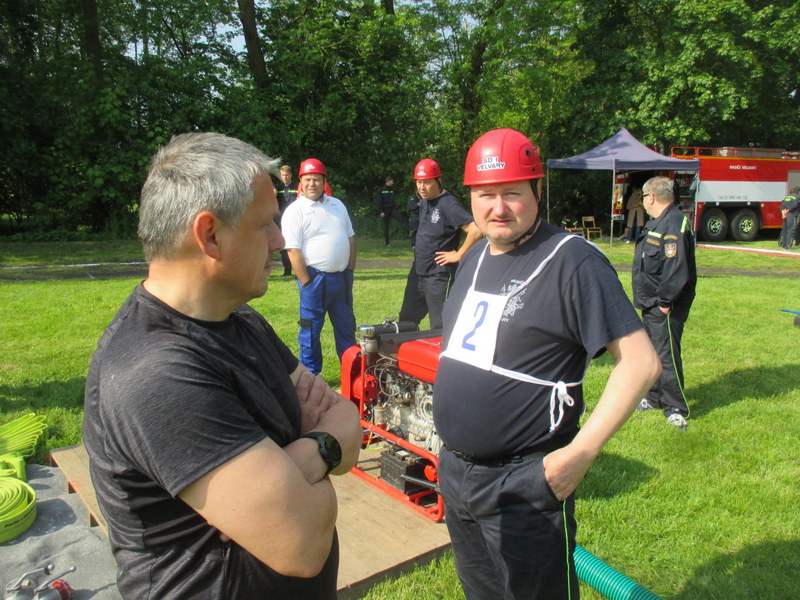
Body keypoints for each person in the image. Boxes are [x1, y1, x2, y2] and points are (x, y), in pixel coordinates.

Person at [82, 132, 362, 599]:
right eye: (266, 224)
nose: (279, 241)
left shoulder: (240, 319)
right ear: (210, 235)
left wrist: (301, 460)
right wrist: (321, 448)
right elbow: (302, 541)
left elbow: (346, 419)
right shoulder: (156, 374)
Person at [432, 128, 660, 600]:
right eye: (486, 194)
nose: (498, 208)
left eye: (512, 193)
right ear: (470, 197)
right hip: (455, 473)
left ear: (537, 191)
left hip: (524, 481)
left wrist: (581, 454)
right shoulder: (474, 257)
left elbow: (640, 364)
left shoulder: (572, 261)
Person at [282, 158, 358, 375]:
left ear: (324, 181)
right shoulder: (295, 211)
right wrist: (307, 283)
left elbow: (351, 239)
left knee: (346, 329)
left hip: (341, 280)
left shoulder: (337, 205)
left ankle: (352, 376)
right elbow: (293, 250)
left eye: (316, 179)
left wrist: (349, 271)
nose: (312, 184)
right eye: (307, 179)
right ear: (300, 182)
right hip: (315, 280)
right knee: (310, 332)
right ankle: (311, 378)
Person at [633, 176, 697, 430]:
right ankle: (654, 397)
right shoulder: (659, 221)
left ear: (651, 197)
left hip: (664, 304)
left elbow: (676, 266)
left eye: (643, 197)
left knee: (666, 355)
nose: (643, 201)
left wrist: (665, 301)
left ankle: (675, 407)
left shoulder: (673, 222)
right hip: (651, 301)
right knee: (653, 352)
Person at [397, 158, 482, 330]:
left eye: (427, 182)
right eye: (419, 182)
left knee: (440, 325)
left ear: (438, 181)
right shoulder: (425, 199)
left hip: (437, 275)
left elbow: (476, 229)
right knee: (406, 321)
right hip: (418, 271)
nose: (422, 187)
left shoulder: (448, 204)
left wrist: (459, 254)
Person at [275, 164, 298, 275]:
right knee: (284, 245)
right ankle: (287, 271)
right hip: (281, 220)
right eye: (283, 175)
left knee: (297, 243)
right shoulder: (278, 188)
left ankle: (299, 269)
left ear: (291, 175)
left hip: (296, 219)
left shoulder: (297, 187)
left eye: (287, 175)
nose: (285, 177)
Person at [375, 175, 408, 246]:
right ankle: (387, 243)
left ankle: (409, 231)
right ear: (388, 181)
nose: (393, 182)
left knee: (400, 218)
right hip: (384, 210)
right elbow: (378, 201)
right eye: (392, 181)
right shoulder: (381, 190)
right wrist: (380, 211)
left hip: (392, 209)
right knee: (386, 226)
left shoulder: (391, 190)